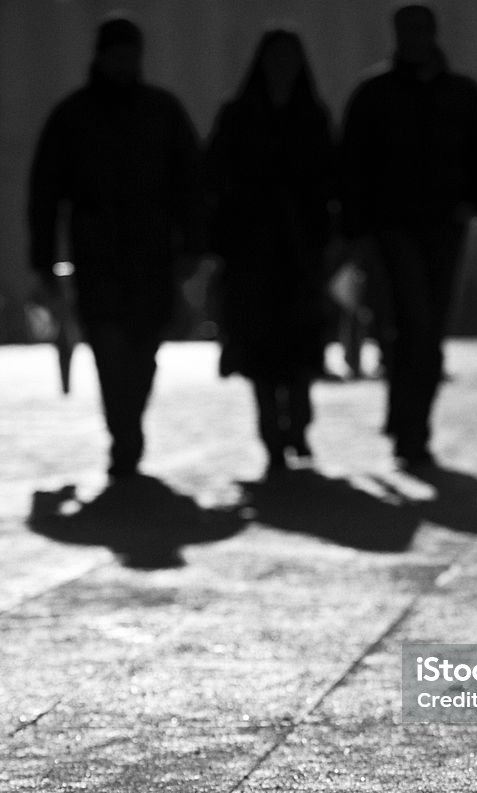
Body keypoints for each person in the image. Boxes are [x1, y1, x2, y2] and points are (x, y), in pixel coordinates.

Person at [28, 16, 204, 480]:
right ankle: (125, 434)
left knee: (143, 349)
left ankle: (127, 428)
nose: (126, 64)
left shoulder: (161, 111)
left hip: (151, 256)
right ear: (103, 57)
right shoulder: (73, 116)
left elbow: (190, 183)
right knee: (109, 348)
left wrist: (192, 244)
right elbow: (45, 193)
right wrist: (44, 259)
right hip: (98, 256)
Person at [341, 4, 477, 467]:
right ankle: (409, 428)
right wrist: (356, 226)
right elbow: (352, 163)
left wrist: (475, 200)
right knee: (410, 321)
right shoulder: (375, 94)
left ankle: (411, 420)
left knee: (426, 328)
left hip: (442, 225)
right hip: (392, 226)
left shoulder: (462, 94)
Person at [207, 30, 336, 473]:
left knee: (298, 343)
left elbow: (329, 180)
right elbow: (216, 180)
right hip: (252, 250)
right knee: (260, 348)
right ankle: (272, 434)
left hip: (298, 250)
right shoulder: (239, 116)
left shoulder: (311, 116)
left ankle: (296, 423)